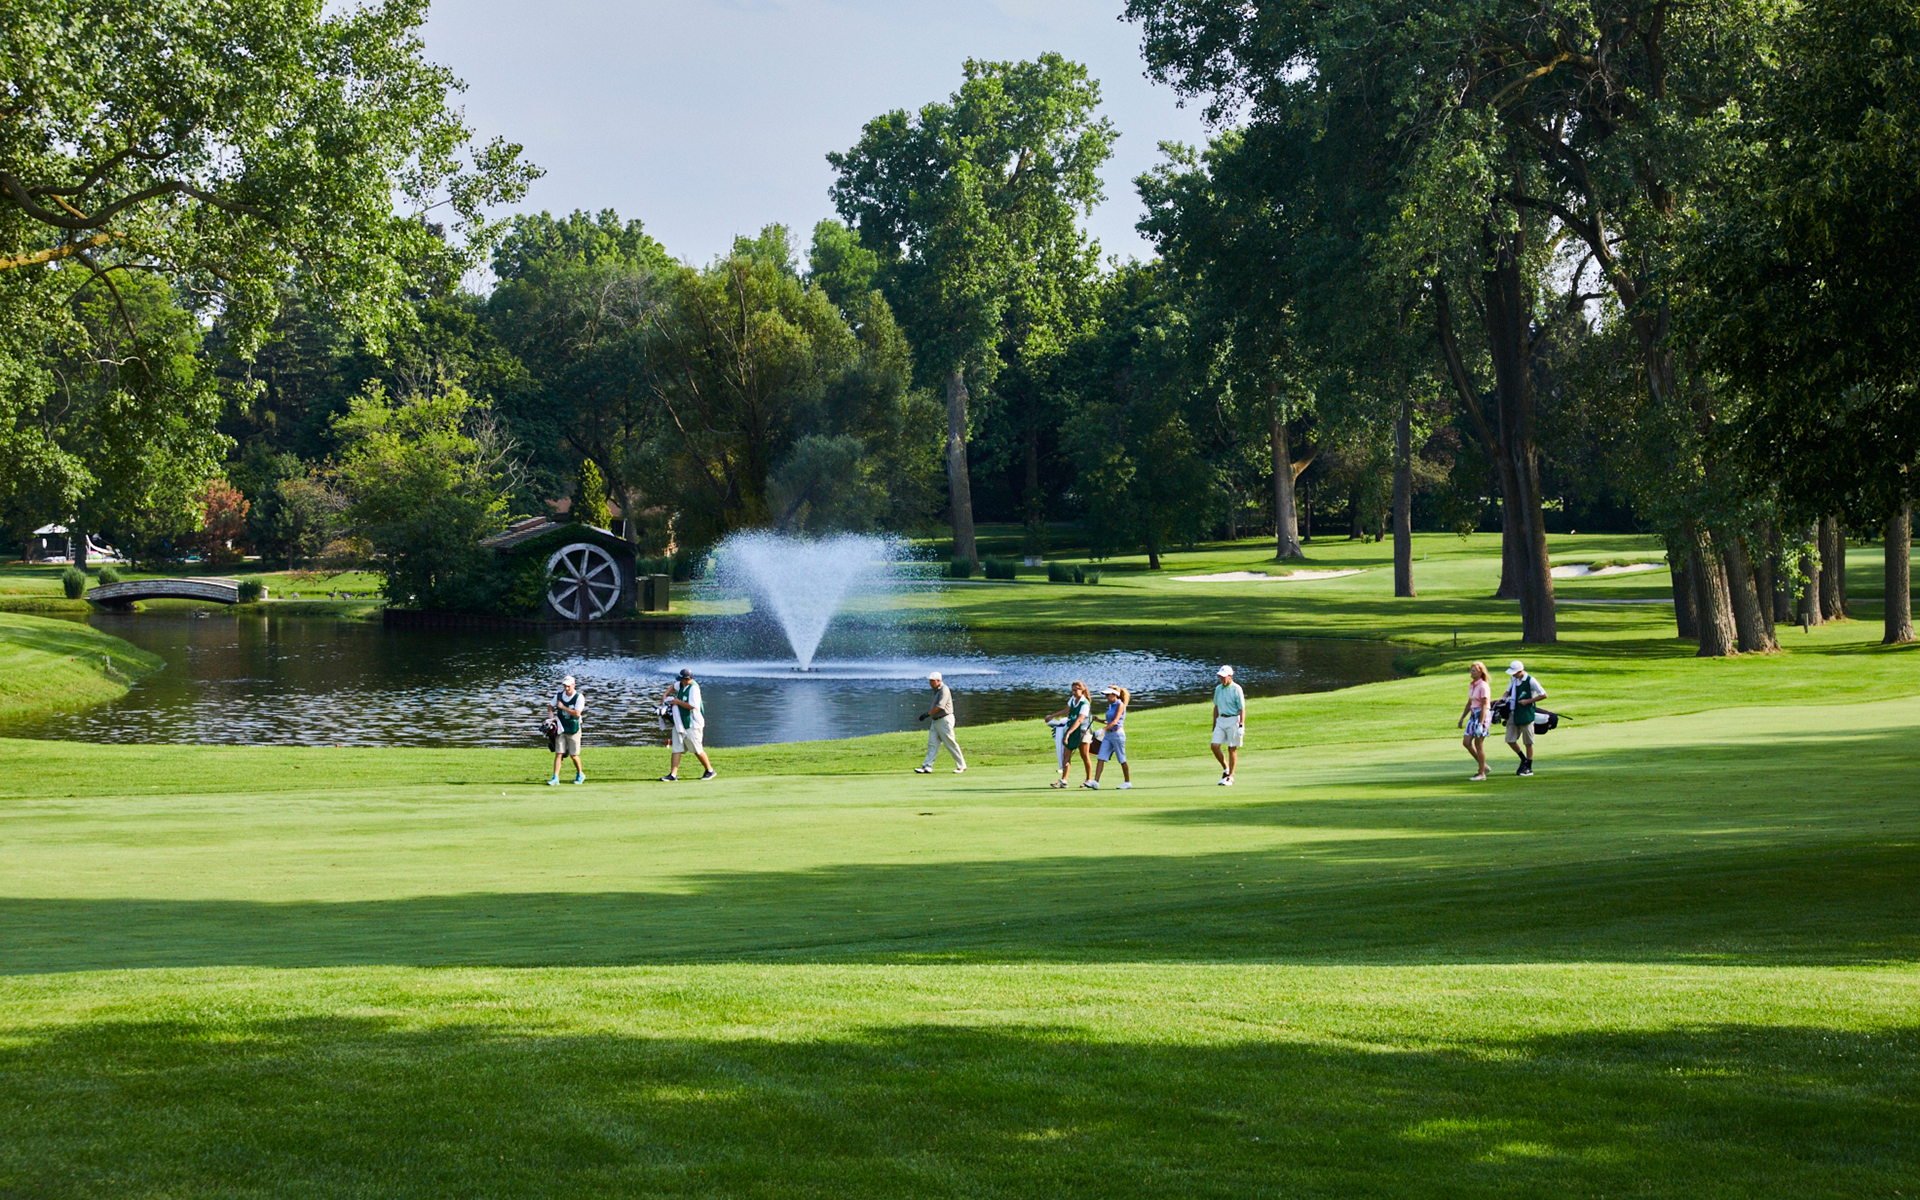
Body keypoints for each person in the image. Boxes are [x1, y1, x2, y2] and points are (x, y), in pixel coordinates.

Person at [661, 667, 716, 782]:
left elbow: (692, 706)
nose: (680, 681)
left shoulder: (693, 689)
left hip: (693, 724)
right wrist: (665, 695)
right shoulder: (682, 684)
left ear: (688, 679)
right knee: (676, 748)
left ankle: (710, 770)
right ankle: (673, 775)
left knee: (697, 749)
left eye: (682, 679)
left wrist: (677, 702)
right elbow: (673, 686)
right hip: (680, 723)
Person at [1044, 682, 1094, 788]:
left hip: (1083, 731)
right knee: (1066, 755)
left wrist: (1068, 733)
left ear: (1082, 690)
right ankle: (1064, 780)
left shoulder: (1085, 704)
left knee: (1084, 755)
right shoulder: (1073, 699)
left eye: (1076, 690)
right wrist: (1052, 716)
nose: (1074, 693)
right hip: (1072, 728)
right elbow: (1067, 710)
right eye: (1073, 690)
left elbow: (1079, 720)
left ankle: (1089, 780)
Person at [915, 671, 966, 774]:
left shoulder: (944, 689)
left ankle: (961, 766)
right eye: (930, 681)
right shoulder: (936, 690)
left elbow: (940, 706)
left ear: (938, 681)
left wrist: (927, 714)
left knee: (950, 743)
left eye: (932, 681)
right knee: (932, 744)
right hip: (936, 721)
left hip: (944, 720)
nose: (930, 683)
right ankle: (927, 766)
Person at [1502, 660, 1547, 776]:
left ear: (1520, 671)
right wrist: (1503, 698)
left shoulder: (1531, 680)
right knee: (1510, 739)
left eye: (1514, 673)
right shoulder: (1513, 679)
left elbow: (1543, 694)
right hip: (1514, 712)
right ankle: (1523, 759)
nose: (1513, 675)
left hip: (1526, 714)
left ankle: (1529, 766)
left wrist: (1528, 701)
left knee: (1528, 742)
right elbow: (1507, 691)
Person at [1091, 684, 1132, 790]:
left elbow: (1115, 722)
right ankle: (1095, 782)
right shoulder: (1111, 705)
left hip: (1117, 734)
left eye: (1108, 695)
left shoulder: (1120, 705)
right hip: (1109, 735)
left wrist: (1102, 730)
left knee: (1121, 759)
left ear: (1115, 695)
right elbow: (1109, 721)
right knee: (1101, 757)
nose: (1106, 697)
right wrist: (1098, 720)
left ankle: (1127, 782)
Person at [1457, 662, 1492, 781]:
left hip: (1482, 715)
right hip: (1473, 714)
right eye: (1471, 670)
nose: (1471, 673)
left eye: (1474, 671)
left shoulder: (1483, 686)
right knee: (1466, 742)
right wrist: (1462, 718)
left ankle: (1481, 773)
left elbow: (1484, 705)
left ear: (1480, 672)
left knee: (1478, 744)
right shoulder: (1472, 685)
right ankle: (1484, 766)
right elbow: (1470, 702)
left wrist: (1481, 724)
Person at [548, 675, 586, 785]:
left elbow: (577, 713)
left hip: (573, 728)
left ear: (573, 685)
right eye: (565, 686)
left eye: (569, 686)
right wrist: (551, 713)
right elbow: (550, 706)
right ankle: (555, 777)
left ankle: (580, 773)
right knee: (558, 753)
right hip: (561, 728)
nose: (567, 688)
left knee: (573, 755)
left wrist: (563, 707)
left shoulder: (579, 697)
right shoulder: (559, 696)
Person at [1211, 665, 1245, 785]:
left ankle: (1230, 777)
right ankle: (1226, 769)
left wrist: (1241, 725)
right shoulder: (1218, 689)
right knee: (1214, 746)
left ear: (1230, 676)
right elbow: (1216, 706)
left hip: (1234, 719)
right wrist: (1214, 723)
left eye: (1223, 677)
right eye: (1220, 676)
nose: (1221, 679)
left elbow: (1242, 708)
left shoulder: (1237, 689)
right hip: (1221, 720)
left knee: (1232, 748)